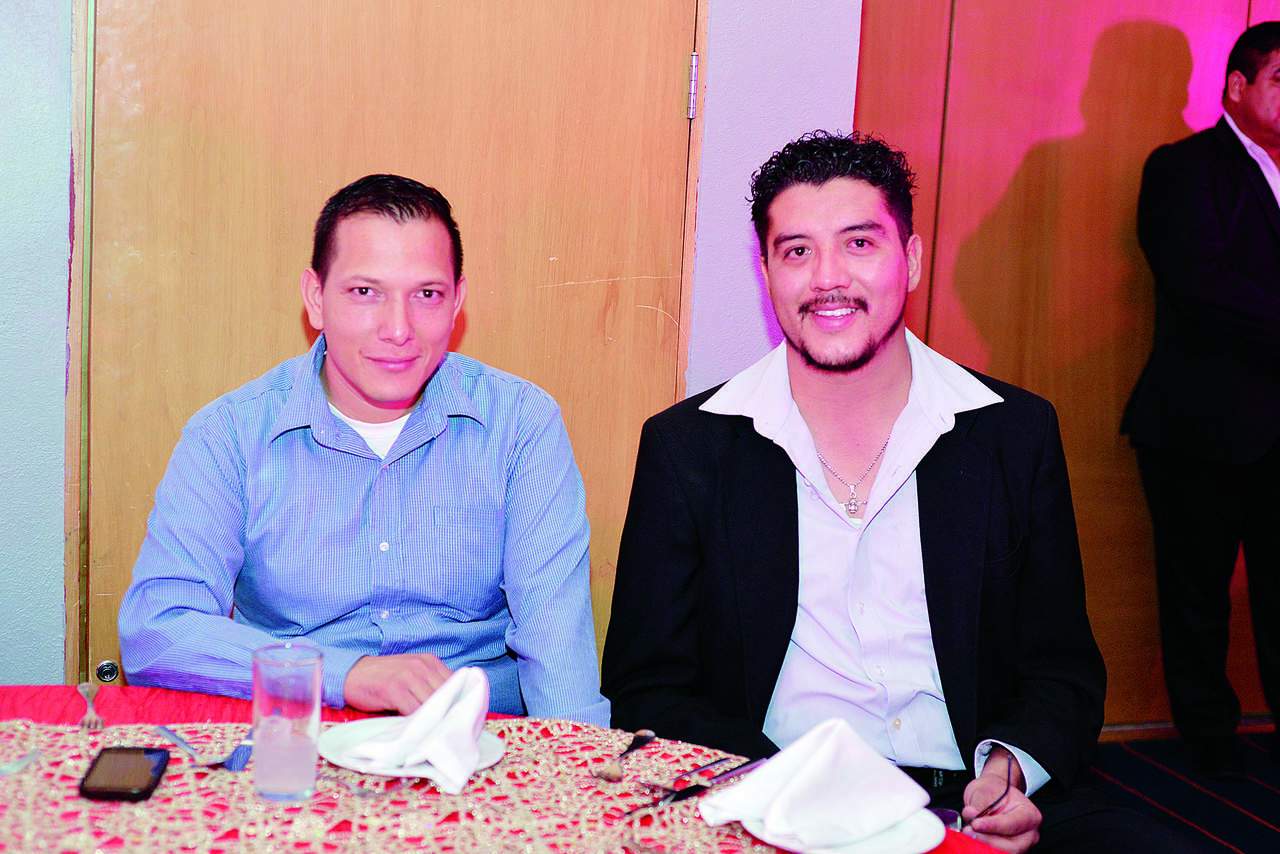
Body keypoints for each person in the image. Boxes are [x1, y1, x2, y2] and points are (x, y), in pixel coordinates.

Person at [603, 132, 1198, 851]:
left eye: (859, 244)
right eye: (797, 251)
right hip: (775, 797)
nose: (827, 278)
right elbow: (649, 687)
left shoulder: (1012, 432)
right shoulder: (689, 446)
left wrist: (1008, 773)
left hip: (967, 794)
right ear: (766, 273)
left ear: (910, 260)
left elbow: (1062, 667)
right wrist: (782, 788)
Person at [119, 174, 609, 725]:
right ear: (316, 299)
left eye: (426, 295)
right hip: (298, 738)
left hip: (478, 742)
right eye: (365, 292)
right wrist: (348, 674)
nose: (398, 329)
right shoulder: (230, 434)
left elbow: (557, 655)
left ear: (457, 302)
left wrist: (579, 767)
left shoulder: (521, 424)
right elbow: (158, 630)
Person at [1122, 22, 1280, 776]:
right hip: (1200, 427)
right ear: (1237, 86)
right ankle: (1211, 751)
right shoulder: (1182, 168)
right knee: (1197, 595)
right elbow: (1202, 284)